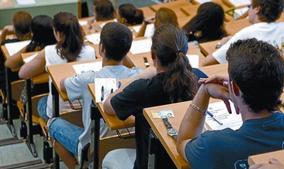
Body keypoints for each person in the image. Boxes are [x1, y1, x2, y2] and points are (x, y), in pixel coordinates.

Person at [177, 38, 284, 169]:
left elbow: (183, 142)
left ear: (234, 88)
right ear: (281, 85)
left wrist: (204, 91)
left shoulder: (211, 146)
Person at [103, 24, 206, 169]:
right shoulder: (200, 79)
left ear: (153, 56)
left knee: (109, 158)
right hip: (187, 159)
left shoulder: (142, 88)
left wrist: (140, 76)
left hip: (151, 163)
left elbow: (108, 106)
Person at [47, 22, 142, 159]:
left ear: (101, 48)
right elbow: (135, 68)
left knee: (53, 123)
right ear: (127, 51)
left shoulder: (88, 78)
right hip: (130, 143)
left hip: (93, 148)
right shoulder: (138, 76)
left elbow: (61, 85)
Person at [18, 12, 96, 121]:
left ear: (58, 34)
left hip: (59, 114)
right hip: (86, 113)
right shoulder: (91, 51)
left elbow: (22, 73)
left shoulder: (49, 51)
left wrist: (46, 69)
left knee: (41, 102)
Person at [202, 0, 284, 66]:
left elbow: (207, 63)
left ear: (257, 9)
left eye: (250, 6)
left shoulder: (246, 34)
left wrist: (221, 44)